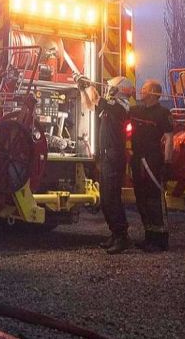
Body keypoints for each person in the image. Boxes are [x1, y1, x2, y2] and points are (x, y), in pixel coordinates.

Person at [75, 73, 135, 254]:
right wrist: (82, 89)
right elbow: (90, 105)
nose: (108, 88)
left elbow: (99, 100)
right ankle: (115, 234)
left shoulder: (119, 106)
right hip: (107, 156)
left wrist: (86, 84)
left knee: (112, 197)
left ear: (118, 90)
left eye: (112, 87)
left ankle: (122, 236)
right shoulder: (111, 106)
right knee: (106, 197)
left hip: (114, 157)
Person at [128, 79, 174, 252]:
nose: (141, 90)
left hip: (153, 161)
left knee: (155, 199)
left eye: (145, 88)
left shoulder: (163, 113)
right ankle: (149, 236)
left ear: (154, 92)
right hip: (137, 160)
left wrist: (168, 163)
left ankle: (161, 240)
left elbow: (169, 138)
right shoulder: (136, 110)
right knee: (141, 199)